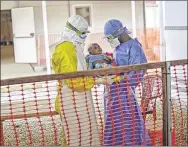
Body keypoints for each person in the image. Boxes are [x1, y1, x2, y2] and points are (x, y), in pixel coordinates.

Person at [51, 15, 106, 146]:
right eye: (82, 33)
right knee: (75, 139)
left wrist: (97, 75)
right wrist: (101, 81)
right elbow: (72, 81)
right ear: (73, 31)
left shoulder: (75, 47)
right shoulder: (65, 49)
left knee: (86, 135)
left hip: (81, 100)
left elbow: (83, 73)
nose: (84, 36)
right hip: (71, 101)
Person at [103, 19, 151, 146]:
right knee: (113, 123)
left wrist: (121, 79)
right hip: (113, 92)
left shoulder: (134, 47)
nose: (108, 40)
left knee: (128, 123)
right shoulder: (119, 47)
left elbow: (138, 71)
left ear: (118, 33)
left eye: (109, 37)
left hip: (124, 94)